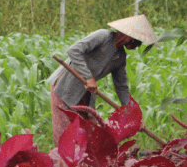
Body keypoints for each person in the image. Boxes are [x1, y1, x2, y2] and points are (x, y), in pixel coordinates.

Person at [48, 14, 157, 147]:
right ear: (128, 35)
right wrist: (89, 77)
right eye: (137, 41)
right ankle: (62, 166)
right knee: (65, 136)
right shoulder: (103, 36)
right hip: (65, 88)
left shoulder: (120, 56)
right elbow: (74, 50)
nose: (137, 46)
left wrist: (133, 115)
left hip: (85, 95)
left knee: (90, 135)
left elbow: (121, 87)